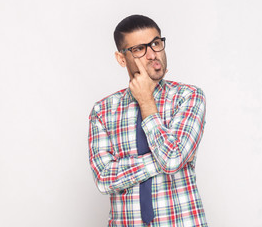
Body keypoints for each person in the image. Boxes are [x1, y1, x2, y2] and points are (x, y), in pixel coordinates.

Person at [88, 14, 208, 226]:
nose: (152, 55)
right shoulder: (103, 111)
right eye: (139, 49)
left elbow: (171, 159)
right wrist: (165, 162)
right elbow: (104, 179)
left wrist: (146, 101)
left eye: (155, 43)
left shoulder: (188, 97)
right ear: (121, 58)